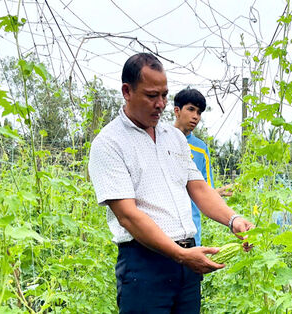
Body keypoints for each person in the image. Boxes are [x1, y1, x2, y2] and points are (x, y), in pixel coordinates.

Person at [88, 52, 253, 313]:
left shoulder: (173, 138)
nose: (161, 104)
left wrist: (234, 219)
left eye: (164, 95)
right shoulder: (109, 144)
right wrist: (180, 255)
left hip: (188, 263)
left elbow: (198, 188)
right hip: (144, 265)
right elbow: (128, 216)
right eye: (152, 95)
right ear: (127, 91)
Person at [173, 88, 232, 246]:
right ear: (177, 111)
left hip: (192, 230)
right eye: (191, 109)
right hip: (165, 230)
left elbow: (206, 190)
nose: (195, 117)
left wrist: (219, 192)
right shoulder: (161, 140)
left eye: (199, 113)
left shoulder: (201, 149)